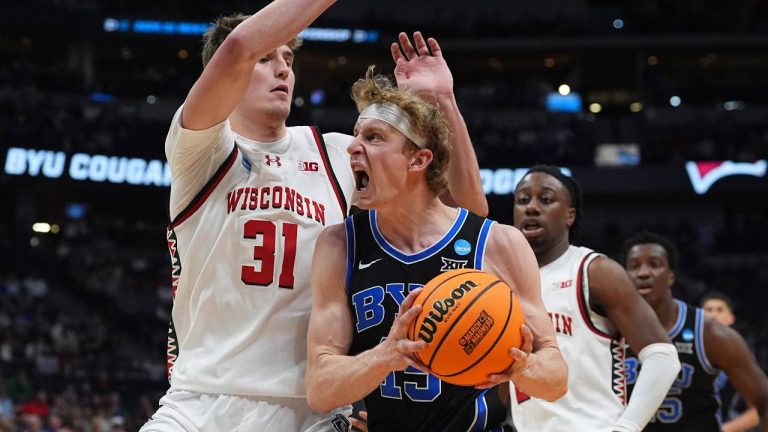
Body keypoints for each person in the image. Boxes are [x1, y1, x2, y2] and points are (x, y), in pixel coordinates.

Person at [141, 0, 488, 429]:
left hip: (313, 408)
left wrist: (442, 101)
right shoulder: (199, 149)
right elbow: (237, 49)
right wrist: (252, 47)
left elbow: (465, 214)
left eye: (288, 58)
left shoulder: (337, 153)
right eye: (266, 59)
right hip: (201, 401)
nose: (283, 68)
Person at [305, 65, 568, 431]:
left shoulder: (497, 243)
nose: (352, 146)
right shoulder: (339, 244)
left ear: (418, 159)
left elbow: (556, 379)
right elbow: (319, 388)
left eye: (374, 137)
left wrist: (523, 367)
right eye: (356, 134)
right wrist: (385, 356)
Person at [507, 165, 680, 432]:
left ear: (569, 216)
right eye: (523, 199)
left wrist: (626, 429)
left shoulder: (594, 271)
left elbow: (663, 356)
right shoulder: (504, 282)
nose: (531, 207)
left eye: (545, 199)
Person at [621, 232, 768, 431]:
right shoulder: (608, 330)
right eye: (634, 266)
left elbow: (763, 400)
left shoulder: (708, 332)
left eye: (654, 264)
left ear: (671, 276)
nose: (643, 273)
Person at [703, 292, 761, 432]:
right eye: (708, 310)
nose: (713, 315)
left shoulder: (740, 356)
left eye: (719, 310)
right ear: (698, 317)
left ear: (730, 318)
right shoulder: (681, 350)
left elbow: (760, 408)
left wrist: (724, 429)